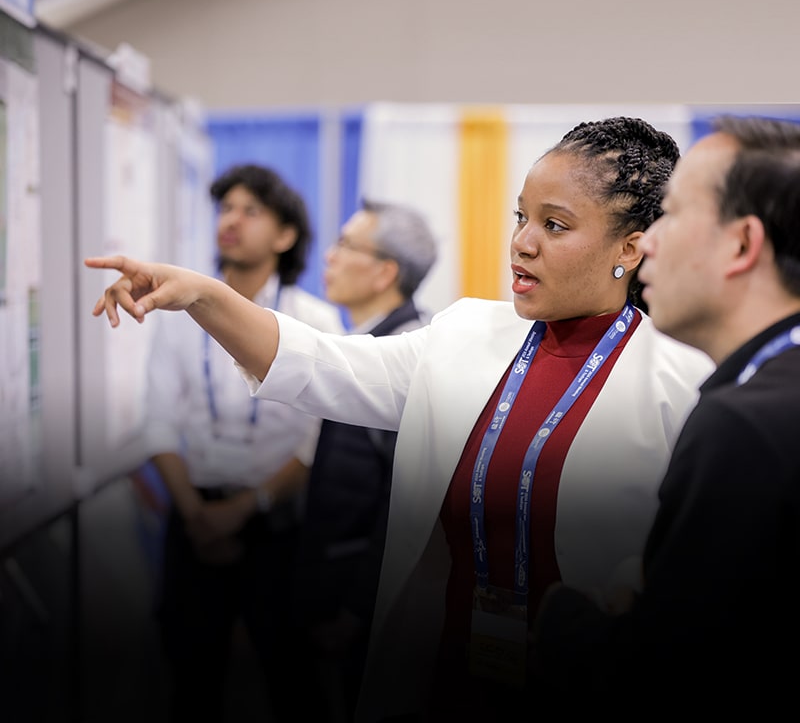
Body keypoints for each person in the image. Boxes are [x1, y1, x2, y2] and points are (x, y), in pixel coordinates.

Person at [85, 117, 714, 723]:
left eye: (554, 224)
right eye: (521, 216)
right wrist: (204, 294)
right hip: (449, 675)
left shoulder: (682, 381)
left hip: (583, 685)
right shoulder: (467, 334)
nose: (523, 242)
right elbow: (320, 364)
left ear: (630, 248)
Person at [530, 115, 800, 714]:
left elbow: (667, 679)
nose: (647, 243)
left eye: (671, 215)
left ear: (741, 244)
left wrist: (566, 620)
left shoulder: (747, 426)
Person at [138, 163, 343, 723]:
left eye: (251, 211)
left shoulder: (315, 320)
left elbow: (315, 441)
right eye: (226, 208)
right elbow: (157, 421)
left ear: (285, 235)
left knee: (293, 681)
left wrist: (245, 508)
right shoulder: (177, 313)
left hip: (277, 525)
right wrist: (197, 515)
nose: (231, 220)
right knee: (190, 680)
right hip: (194, 517)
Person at [294, 199, 437, 722]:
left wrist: (357, 609)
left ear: (385, 272)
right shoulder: (364, 342)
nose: (328, 257)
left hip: (366, 601)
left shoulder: (407, 358)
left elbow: (406, 501)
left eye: (346, 245)